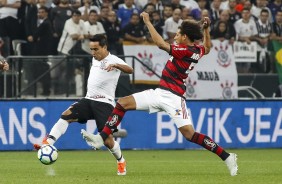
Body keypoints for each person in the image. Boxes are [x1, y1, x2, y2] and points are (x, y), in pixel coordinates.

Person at [81, 12, 238, 176]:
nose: (175, 36)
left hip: (175, 99)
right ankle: (102, 137)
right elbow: (206, 48)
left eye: (178, 34)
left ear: (185, 37)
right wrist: (206, 30)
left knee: (190, 135)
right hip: (159, 93)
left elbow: (161, 44)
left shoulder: (183, 50)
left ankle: (227, 157)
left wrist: (148, 22)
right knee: (123, 103)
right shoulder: (195, 49)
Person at [34, 34, 134, 176]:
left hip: (104, 103)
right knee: (66, 115)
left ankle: (121, 161)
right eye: (91, 49)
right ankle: (48, 142)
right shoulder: (95, 58)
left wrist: (117, 65)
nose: (93, 53)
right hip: (88, 100)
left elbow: (130, 70)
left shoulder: (113, 60)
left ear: (104, 47)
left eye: (96, 49)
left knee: (107, 141)